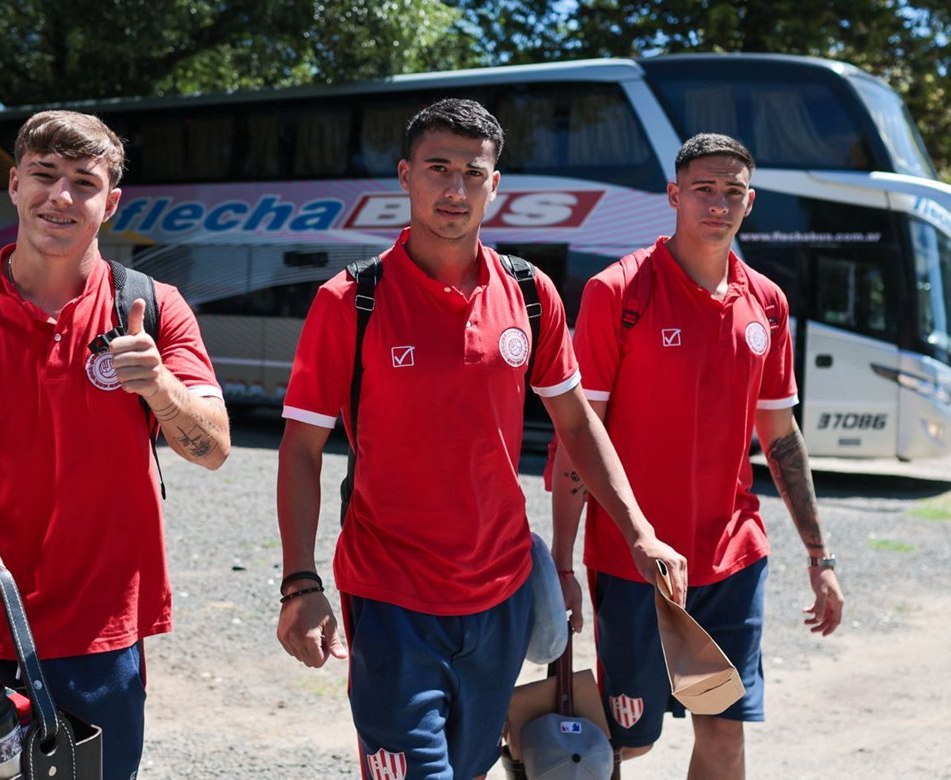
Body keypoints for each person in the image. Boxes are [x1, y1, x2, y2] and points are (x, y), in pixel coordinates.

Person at [274, 97, 687, 780]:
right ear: (405, 176)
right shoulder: (350, 300)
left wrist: (639, 531)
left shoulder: (530, 294)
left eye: (474, 171)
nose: (455, 188)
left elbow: (578, 422)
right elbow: (300, 450)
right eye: (439, 167)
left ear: (496, 186)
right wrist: (299, 581)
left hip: (500, 593)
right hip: (390, 597)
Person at [0, 110, 231, 780]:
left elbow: (212, 449)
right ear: (14, 184)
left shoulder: (155, 308)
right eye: (44, 175)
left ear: (112, 202)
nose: (61, 197)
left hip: (102, 636)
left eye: (83, 182)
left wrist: (157, 385)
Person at [550, 133, 846, 780]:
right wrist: (563, 564)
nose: (718, 203)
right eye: (704, 189)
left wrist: (820, 558)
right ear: (674, 195)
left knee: (725, 736)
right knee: (625, 743)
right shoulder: (617, 292)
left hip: (732, 559)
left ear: (750, 201)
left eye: (732, 192)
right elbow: (578, 434)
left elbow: (782, 438)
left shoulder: (766, 303)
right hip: (634, 561)